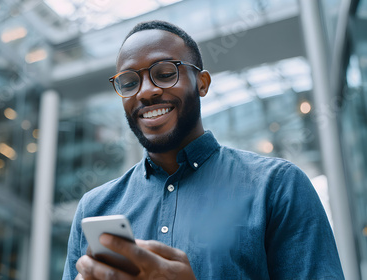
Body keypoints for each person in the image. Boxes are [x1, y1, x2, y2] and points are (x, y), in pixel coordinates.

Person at [62, 20, 344, 279]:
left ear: (202, 83)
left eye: (164, 73)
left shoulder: (278, 186)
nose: (145, 92)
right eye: (129, 82)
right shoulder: (95, 208)